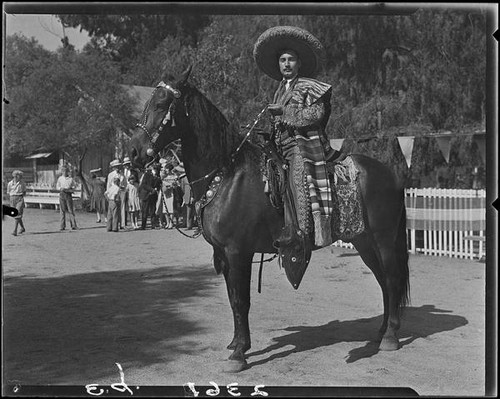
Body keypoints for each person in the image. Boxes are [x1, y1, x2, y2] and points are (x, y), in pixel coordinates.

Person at [254, 26, 340, 267]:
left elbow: (316, 114)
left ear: (299, 63)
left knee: (296, 179)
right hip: (280, 147)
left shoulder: (310, 86)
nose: (287, 64)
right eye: (283, 60)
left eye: (291, 59)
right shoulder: (280, 89)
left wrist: (284, 111)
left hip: (303, 146)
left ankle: (301, 235)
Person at [56, 166, 79, 231]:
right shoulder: (60, 178)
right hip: (62, 194)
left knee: (70, 210)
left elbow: (74, 186)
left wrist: (71, 189)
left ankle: (74, 225)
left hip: (68, 194)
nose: (65, 172)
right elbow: (57, 186)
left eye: (66, 171)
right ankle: (62, 226)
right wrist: (60, 188)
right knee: (62, 211)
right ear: (62, 172)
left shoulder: (70, 179)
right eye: (63, 171)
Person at [7, 170, 27, 236]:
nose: (20, 177)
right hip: (12, 198)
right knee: (15, 215)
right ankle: (22, 227)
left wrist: (20, 196)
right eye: (19, 176)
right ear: (15, 176)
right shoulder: (10, 183)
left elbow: (24, 192)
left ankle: (15, 230)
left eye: (21, 176)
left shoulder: (22, 183)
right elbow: (8, 192)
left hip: (19, 198)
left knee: (17, 213)